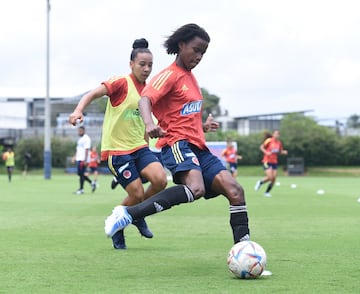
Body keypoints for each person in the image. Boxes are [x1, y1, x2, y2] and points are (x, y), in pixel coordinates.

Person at [104, 23, 250, 246]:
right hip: (176, 145)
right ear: (182, 45)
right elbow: (146, 99)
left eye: (203, 52)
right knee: (196, 189)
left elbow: (182, 118)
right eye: (196, 49)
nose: (199, 56)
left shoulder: (191, 79)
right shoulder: (170, 75)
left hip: (198, 147)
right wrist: (148, 122)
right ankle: (128, 214)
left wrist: (202, 126)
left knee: (235, 190)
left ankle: (244, 250)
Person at [69, 38, 167, 250]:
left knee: (160, 181)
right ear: (131, 64)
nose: (147, 69)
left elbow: (148, 122)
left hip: (140, 147)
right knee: (137, 194)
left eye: (150, 65)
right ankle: (120, 225)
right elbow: (92, 94)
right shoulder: (121, 83)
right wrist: (78, 110)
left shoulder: (149, 91)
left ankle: (136, 213)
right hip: (118, 150)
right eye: (142, 64)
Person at [254, 129, 288, 197]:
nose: (276, 135)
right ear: (273, 134)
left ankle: (266, 192)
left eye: (278, 134)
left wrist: (283, 152)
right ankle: (260, 182)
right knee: (270, 177)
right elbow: (261, 147)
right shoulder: (269, 140)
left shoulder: (279, 143)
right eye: (275, 133)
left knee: (274, 178)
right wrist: (266, 152)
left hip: (274, 162)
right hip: (267, 161)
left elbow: (279, 151)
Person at [71, 126, 97, 195]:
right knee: (80, 174)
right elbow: (78, 150)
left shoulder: (86, 138)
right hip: (79, 158)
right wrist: (74, 157)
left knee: (81, 174)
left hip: (83, 159)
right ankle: (92, 183)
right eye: (78, 131)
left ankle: (81, 189)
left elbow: (86, 149)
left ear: (84, 131)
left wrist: (85, 160)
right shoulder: (80, 139)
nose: (79, 132)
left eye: (80, 131)